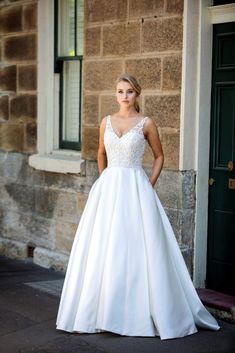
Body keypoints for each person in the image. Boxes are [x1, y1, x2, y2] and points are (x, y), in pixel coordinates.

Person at [56, 74, 220, 340]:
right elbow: (100, 152)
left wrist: (149, 184)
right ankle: (100, 313)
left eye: (129, 91)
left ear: (137, 94)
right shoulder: (106, 122)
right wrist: (104, 177)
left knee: (137, 245)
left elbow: (159, 156)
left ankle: (140, 313)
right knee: (104, 245)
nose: (124, 96)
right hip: (108, 188)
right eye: (120, 91)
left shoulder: (146, 123)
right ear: (116, 94)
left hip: (136, 187)